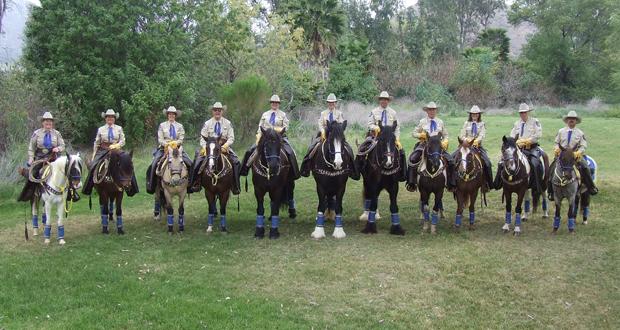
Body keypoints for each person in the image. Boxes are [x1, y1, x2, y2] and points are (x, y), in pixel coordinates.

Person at [300, 93, 359, 179]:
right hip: (324, 135)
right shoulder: (323, 113)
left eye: (333, 102)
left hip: (336, 136)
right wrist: (322, 130)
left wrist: (338, 130)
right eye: (330, 102)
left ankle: (352, 170)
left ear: (335, 103)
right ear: (327, 103)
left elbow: (341, 123)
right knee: (312, 147)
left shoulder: (339, 113)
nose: (331, 104)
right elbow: (320, 123)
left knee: (348, 149)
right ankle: (306, 168)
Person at [82, 109, 138, 196]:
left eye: (112, 117)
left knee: (128, 162)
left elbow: (123, 141)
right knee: (93, 165)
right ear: (105, 118)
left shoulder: (119, 128)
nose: (110, 118)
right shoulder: (101, 129)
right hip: (103, 150)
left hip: (117, 149)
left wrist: (117, 145)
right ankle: (89, 187)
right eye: (108, 117)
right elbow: (97, 142)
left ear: (114, 118)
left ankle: (131, 187)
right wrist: (94, 154)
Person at [189, 102, 241, 194]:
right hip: (210, 148)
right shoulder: (207, 123)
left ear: (222, 112)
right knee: (198, 161)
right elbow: (202, 137)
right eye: (215, 110)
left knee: (236, 162)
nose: (217, 112)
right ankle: (195, 183)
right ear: (212, 111)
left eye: (219, 110)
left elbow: (231, 137)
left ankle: (235, 185)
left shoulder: (228, 123)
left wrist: (225, 146)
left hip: (224, 147)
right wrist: (205, 147)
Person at [547, 110, 598, 199]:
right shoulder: (560, 131)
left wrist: (578, 153)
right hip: (562, 157)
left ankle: (591, 187)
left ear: (576, 121)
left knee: (585, 167)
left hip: (574, 156)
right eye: (570, 119)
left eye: (573, 119)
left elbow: (583, 145)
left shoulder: (580, 133)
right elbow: (556, 142)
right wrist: (556, 149)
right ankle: (551, 191)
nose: (571, 120)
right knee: (551, 169)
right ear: (567, 120)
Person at [18, 111, 67, 202]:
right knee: (34, 174)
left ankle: (70, 193)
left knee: (66, 171)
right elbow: (31, 148)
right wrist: (31, 158)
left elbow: (63, 146)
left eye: (50, 121)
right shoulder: (36, 133)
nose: (48, 122)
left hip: (53, 157)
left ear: (52, 122)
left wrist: (58, 149)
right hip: (40, 158)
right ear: (42, 122)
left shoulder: (57, 133)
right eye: (46, 121)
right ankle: (29, 193)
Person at [406, 102, 456, 191]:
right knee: (412, 159)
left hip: (437, 146)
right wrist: (421, 135)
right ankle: (411, 183)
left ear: (436, 111)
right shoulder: (422, 121)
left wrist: (445, 141)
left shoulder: (440, 122)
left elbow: (446, 135)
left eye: (433, 110)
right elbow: (414, 133)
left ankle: (450, 183)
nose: (432, 111)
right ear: (427, 111)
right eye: (430, 110)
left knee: (451, 161)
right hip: (425, 144)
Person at [494, 103, 543, 191]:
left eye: (525, 112)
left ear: (528, 112)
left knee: (534, 163)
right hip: (518, 148)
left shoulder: (535, 122)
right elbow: (512, 136)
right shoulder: (517, 123)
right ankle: (498, 183)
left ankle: (536, 185)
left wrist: (526, 141)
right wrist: (513, 142)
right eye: (521, 113)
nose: (523, 114)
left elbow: (538, 135)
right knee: (502, 161)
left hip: (531, 148)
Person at [360, 91, 406, 181]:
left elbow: (397, 127)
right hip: (375, 136)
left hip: (389, 138)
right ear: (379, 101)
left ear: (388, 101)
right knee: (362, 149)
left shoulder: (393, 113)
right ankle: (359, 170)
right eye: (382, 99)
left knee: (402, 152)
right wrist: (376, 127)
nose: (384, 101)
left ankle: (403, 174)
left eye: (386, 100)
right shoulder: (374, 112)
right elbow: (369, 124)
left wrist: (396, 139)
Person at [146, 106, 192, 194]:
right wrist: (166, 144)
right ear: (167, 115)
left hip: (177, 149)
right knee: (154, 163)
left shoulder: (180, 126)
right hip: (164, 149)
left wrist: (175, 143)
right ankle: (152, 185)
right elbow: (160, 139)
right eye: (169, 114)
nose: (171, 115)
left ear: (175, 115)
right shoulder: (162, 125)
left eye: (173, 114)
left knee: (189, 162)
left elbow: (181, 138)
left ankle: (190, 184)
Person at [457, 105, 494, 190]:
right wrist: (465, 140)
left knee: (487, 163)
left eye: (476, 114)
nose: (474, 115)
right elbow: (462, 134)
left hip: (477, 147)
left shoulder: (482, 124)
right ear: (470, 114)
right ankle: (452, 182)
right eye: (473, 114)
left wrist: (474, 141)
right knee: (452, 158)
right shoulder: (466, 123)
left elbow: (482, 135)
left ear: (479, 115)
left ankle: (487, 183)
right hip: (465, 146)